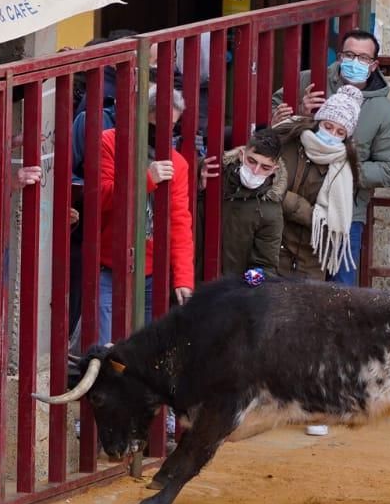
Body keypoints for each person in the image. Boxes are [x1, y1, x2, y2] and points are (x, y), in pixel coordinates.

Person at [278, 30, 390, 285]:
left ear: (373, 65)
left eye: (362, 57)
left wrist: (349, 170)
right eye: (349, 55)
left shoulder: (384, 111)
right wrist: (300, 113)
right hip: (292, 202)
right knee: (284, 286)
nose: (354, 62)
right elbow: (273, 115)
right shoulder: (309, 81)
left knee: (341, 293)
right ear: (339, 56)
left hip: (345, 214)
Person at [96, 86, 195, 341]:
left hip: (152, 272)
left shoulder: (177, 163)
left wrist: (183, 278)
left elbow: (180, 222)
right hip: (109, 265)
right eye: (156, 125)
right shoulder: (110, 142)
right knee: (106, 345)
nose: (163, 134)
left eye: (170, 126)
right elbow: (100, 198)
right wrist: (145, 179)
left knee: (144, 350)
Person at [278, 86, 364, 290]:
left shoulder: (345, 167)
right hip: (275, 246)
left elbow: (329, 222)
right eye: (328, 125)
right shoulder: (289, 139)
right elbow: (265, 179)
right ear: (319, 122)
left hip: (311, 256)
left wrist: (290, 202)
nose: (332, 134)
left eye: (340, 132)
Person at [206, 128, 284, 278]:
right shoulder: (215, 178)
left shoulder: (271, 210)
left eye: (265, 167)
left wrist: (253, 281)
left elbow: (266, 265)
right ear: (242, 155)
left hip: (231, 290)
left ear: (274, 170)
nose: (255, 171)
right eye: (252, 161)